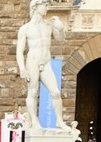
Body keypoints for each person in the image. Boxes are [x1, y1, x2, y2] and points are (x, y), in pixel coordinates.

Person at [16, 0, 69, 131]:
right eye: (45, 5)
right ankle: (34, 121)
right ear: (36, 7)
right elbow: (19, 50)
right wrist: (22, 68)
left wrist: (60, 28)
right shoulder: (25, 29)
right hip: (32, 62)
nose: (47, 8)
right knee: (33, 92)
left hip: (46, 62)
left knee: (56, 92)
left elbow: (61, 40)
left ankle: (60, 121)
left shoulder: (49, 25)